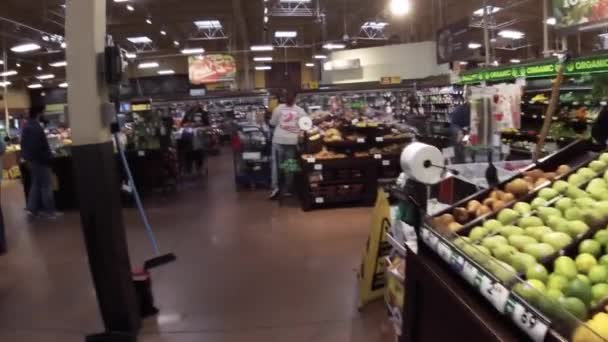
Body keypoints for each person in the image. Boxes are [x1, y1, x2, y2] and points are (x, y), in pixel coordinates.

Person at [20, 105, 60, 218]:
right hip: (40, 161)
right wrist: (47, 157)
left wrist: (27, 158)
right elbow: (37, 146)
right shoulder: (35, 127)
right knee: (46, 186)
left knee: (36, 184)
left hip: (33, 160)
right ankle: (50, 212)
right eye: (44, 112)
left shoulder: (28, 125)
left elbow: (25, 145)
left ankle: (32, 208)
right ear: (39, 113)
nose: (44, 115)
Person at [268, 90, 307, 199]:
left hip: (278, 140)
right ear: (296, 98)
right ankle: (288, 189)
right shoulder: (300, 111)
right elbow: (306, 125)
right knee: (289, 165)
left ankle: (275, 188)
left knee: (276, 166)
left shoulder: (278, 108)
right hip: (291, 141)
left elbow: (272, 123)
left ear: (284, 98)